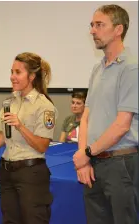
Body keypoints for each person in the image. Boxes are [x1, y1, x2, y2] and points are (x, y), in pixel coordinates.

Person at [73, 4, 138, 224]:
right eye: (92, 25)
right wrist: (83, 158)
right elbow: (86, 116)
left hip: (121, 163)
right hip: (94, 164)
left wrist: (87, 153)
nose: (92, 30)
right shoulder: (97, 69)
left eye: (99, 25)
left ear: (118, 29)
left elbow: (122, 125)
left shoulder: (131, 68)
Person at [0, 52, 57, 224]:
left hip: (30, 173)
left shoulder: (45, 106)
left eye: (18, 72)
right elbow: (0, 139)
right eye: (11, 72)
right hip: (7, 171)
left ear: (31, 76)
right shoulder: (9, 103)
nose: (12, 77)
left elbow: (42, 146)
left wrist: (20, 126)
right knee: (9, 220)